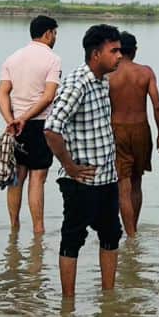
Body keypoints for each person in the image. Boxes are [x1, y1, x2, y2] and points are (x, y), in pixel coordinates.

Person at [44, 24, 123, 297]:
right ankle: (68, 304)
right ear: (95, 54)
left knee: (112, 236)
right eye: (114, 51)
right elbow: (52, 128)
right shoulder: (78, 82)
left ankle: (108, 296)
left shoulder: (102, 81)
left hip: (106, 178)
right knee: (72, 240)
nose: (119, 56)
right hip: (81, 180)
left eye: (120, 50)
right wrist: (69, 166)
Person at [0, 14, 62, 235]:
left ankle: (14, 226)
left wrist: (11, 120)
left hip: (15, 125)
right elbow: (48, 96)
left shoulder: (12, 58)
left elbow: (3, 92)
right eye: (54, 33)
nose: (55, 38)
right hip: (39, 124)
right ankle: (38, 229)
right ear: (48, 33)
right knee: (37, 178)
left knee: (16, 178)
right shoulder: (52, 59)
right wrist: (25, 118)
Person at [107, 30, 159, 236]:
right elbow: (157, 106)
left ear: (119, 51)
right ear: (135, 50)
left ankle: (130, 233)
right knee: (136, 182)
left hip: (116, 129)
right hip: (141, 129)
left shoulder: (109, 74)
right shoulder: (146, 72)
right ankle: (133, 231)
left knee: (123, 184)